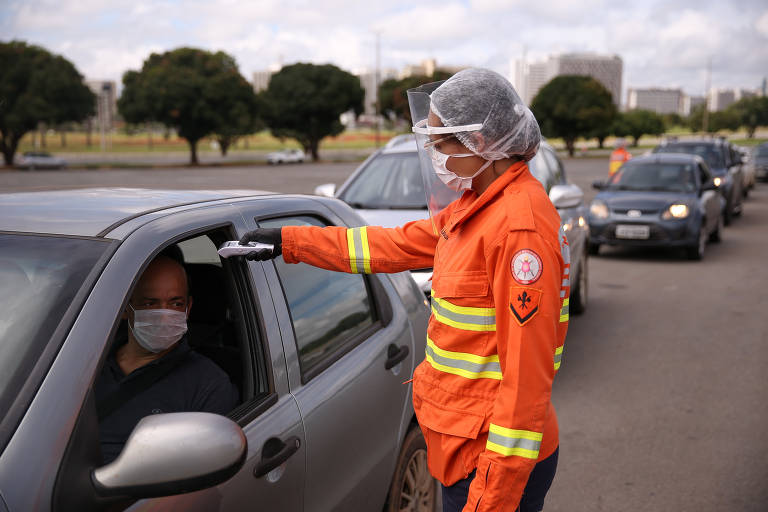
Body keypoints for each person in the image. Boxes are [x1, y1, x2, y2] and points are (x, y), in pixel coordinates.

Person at [240, 68, 569, 512]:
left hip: (491, 463)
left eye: (441, 142)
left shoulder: (518, 229)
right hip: (466, 446)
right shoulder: (477, 205)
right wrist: (291, 242)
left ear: (483, 143)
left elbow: (525, 386)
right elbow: (388, 244)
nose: (434, 153)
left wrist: (491, 499)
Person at [95, 255, 239, 464]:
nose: (164, 316)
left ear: (188, 308)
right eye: (150, 303)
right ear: (126, 307)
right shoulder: (86, 366)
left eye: (175, 303)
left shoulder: (209, 384)